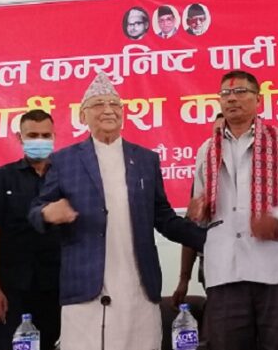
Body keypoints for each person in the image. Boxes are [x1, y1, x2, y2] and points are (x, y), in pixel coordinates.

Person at [27, 72, 206, 350]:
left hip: (139, 286)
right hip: (86, 288)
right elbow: (35, 211)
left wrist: (207, 238)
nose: (109, 110)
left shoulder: (145, 159)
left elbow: (163, 217)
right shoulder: (64, 160)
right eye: (99, 104)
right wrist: (48, 213)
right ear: (83, 116)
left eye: (114, 104)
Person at [190, 70, 278, 350]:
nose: (231, 98)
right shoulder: (207, 149)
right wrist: (197, 210)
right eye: (225, 93)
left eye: (240, 92)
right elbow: (200, 208)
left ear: (258, 100)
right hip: (224, 270)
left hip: (276, 268)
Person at [0, 109, 61, 350]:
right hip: (9, 292)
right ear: (19, 138)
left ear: (54, 136)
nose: (39, 140)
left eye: (45, 135)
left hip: (55, 291)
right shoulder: (0, 177)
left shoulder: (66, 178)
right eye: (32, 135)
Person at [172, 113, 224, 308]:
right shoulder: (205, 176)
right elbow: (191, 228)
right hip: (213, 268)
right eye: (217, 133)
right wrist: (183, 280)